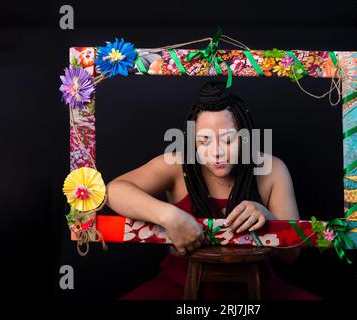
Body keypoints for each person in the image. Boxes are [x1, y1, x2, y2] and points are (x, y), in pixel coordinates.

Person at [105, 80, 319, 300]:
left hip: (255, 286)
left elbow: (293, 253)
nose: (216, 152)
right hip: (180, 284)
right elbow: (113, 191)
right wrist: (169, 216)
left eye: (228, 140)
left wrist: (267, 218)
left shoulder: (272, 169)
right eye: (204, 141)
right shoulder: (177, 165)